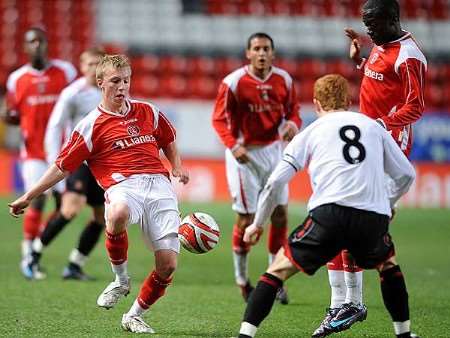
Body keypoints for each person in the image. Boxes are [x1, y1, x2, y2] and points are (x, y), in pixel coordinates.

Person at [9, 54, 189, 333]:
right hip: (123, 186)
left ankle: (134, 315)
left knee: (167, 266)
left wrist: (176, 165)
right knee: (117, 212)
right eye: (116, 81)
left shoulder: (147, 110)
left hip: (160, 187)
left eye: (126, 81)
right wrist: (29, 195)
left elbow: (168, 138)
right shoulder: (91, 124)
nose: (122, 87)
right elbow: (61, 166)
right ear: (100, 82)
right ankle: (120, 279)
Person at [236, 74, 417, 338]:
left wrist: (256, 224)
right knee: (388, 265)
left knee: (277, 270)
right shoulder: (372, 127)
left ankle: (245, 335)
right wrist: (388, 204)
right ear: (349, 100)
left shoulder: (311, 131)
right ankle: (404, 334)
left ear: (317, 103)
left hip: (329, 214)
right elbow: (407, 175)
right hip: (371, 217)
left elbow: (274, 183)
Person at [315, 1, 427, 336]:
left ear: (392, 19)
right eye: (365, 23)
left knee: (355, 220)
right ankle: (349, 304)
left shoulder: (409, 56)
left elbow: (415, 104)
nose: (368, 29)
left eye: (373, 22)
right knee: (349, 217)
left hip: (388, 143)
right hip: (370, 141)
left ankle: (351, 304)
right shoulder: (380, 47)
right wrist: (359, 60)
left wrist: (382, 123)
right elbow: (380, 81)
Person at [212, 32, 301, 304]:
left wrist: (293, 124)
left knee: (280, 215)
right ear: (248, 53)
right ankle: (242, 279)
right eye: (257, 49)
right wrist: (232, 145)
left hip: (274, 151)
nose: (262, 53)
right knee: (246, 220)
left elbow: (294, 111)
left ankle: (275, 278)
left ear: (273, 53)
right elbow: (218, 120)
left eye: (266, 49)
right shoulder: (233, 83)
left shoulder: (284, 80)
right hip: (244, 156)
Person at [1, 27, 77, 279]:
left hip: (62, 151)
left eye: (40, 41)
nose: (36, 46)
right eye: (31, 42)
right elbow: (12, 114)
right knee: (37, 198)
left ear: (46, 43)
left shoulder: (65, 71)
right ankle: (28, 255)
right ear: (25, 47)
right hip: (33, 152)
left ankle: (35, 249)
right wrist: (10, 117)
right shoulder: (17, 79)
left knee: (66, 206)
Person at [26, 47, 105, 280]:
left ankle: (74, 265)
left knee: (102, 217)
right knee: (70, 209)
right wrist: (55, 163)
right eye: (90, 64)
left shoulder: (109, 91)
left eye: (98, 64)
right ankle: (34, 254)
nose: (94, 68)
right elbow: (55, 126)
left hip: (101, 164)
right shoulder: (73, 93)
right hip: (79, 159)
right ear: (82, 67)